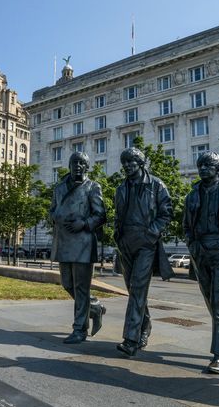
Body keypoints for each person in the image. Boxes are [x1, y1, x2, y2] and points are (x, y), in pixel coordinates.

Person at [113, 147, 173, 357]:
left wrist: (152, 233)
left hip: (146, 244)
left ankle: (131, 339)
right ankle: (144, 327)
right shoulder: (121, 188)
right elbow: (118, 216)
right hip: (126, 244)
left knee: (138, 288)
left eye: (131, 161)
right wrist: (117, 237)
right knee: (133, 289)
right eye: (125, 162)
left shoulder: (156, 185)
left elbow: (166, 212)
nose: (128, 165)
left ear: (140, 163)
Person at [183, 151, 219, 374]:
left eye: (208, 165)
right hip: (201, 251)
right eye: (201, 165)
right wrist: (192, 245)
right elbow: (186, 225)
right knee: (211, 301)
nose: (203, 168)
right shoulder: (192, 195)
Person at [49, 151, 107, 344]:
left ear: (87, 167)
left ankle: (80, 329)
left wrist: (84, 223)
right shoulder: (59, 188)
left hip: (82, 242)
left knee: (81, 288)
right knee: (67, 284)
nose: (78, 166)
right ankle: (94, 307)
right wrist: (56, 216)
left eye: (82, 163)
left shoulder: (93, 187)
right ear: (69, 165)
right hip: (64, 241)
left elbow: (100, 215)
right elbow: (52, 210)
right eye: (74, 163)